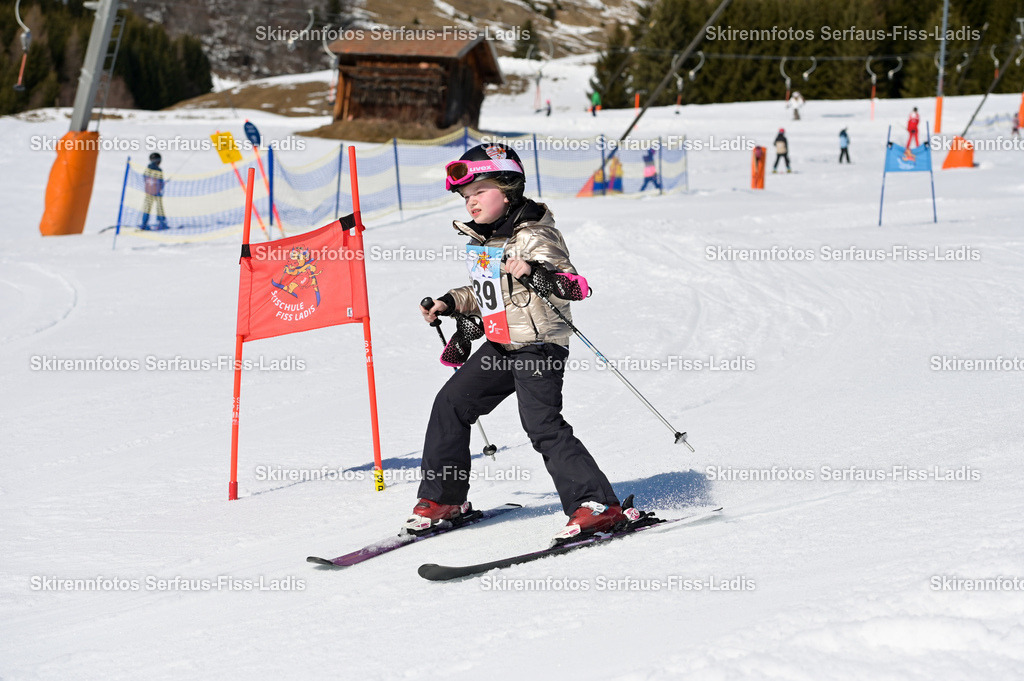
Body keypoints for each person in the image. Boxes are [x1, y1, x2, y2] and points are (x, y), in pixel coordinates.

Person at [411, 143, 624, 544]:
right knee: (451, 404)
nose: (470, 202)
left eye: (479, 192)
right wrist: (449, 302)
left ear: (507, 189)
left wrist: (535, 270)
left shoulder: (536, 233)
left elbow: (574, 286)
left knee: (541, 424)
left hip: (539, 345)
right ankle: (443, 500)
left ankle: (597, 504)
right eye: (465, 196)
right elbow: (486, 294)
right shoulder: (486, 239)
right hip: (501, 345)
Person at [141, 152, 168, 230]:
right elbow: (160, 182)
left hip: (148, 192)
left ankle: (144, 224)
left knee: (147, 208)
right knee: (159, 208)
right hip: (157, 192)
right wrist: (162, 184)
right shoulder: (159, 170)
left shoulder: (147, 169)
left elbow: (145, 179)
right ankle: (161, 223)